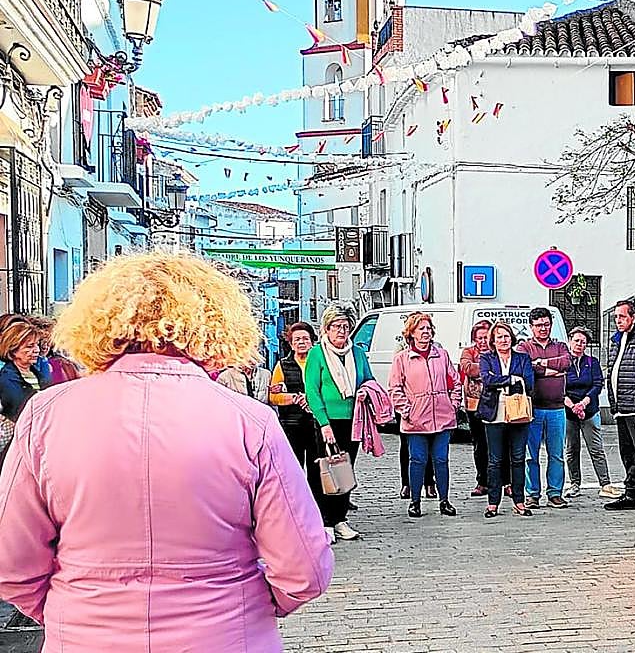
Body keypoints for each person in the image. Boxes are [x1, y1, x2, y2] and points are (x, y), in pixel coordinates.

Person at [0, 253, 332, 651]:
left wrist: (75, 611)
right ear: (212, 325)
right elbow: (305, 570)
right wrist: (240, 606)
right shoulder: (250, 422)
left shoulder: (46, 416)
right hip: (226, 638)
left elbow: (11, 562)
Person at [304, 304, 373, 544]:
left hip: (352, 419)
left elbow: (369, 380)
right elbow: (312, 390)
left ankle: (340, 518)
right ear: (327, 329)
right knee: (326, 471)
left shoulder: (358, 353)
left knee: (345, 469)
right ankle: (325, 521)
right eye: (336, 327)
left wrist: (365, 391)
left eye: (345, 327)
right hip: (326, 421)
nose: (342, 331)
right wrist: (323, 422)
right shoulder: (317, 354)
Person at [390, 311, 462, 518]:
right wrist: (406, 410)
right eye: (421, 329)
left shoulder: (442, 355)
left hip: (442, 416)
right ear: (411, 333)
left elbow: (455, 382)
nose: (426, 333)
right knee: (417, 459)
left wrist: (454, 404)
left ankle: (444, 500)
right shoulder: (402, 359)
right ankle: (415, 501)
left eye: (428, 329)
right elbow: (395, 388)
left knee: (441, 459)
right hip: (416, 418)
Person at [478, 321, 536, 517]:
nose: (503, 340)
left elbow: (528, 381)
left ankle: (519, 501)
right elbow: (487, 379)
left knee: (518, 458)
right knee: (495, 460)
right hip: (494, 413)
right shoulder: (486, 358)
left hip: (518, 411)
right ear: (492, 341)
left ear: (512, 337)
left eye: (506, 336)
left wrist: (501, 379)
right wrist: (511, 379)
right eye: (499, 337)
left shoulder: (523, 358)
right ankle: (493, 503)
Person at [516, 307, 571, 509]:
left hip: (557, 408)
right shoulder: (524, 347)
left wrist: (543, 363)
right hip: (533, 408)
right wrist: (552, 371)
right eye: (539, 325)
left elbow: (567, 362)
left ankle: (555, 492)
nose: (543, 329)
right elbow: (527, 368)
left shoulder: (560, 346)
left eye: (546, 324)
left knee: (556, 453)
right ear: (531, 327)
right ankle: (532, 494)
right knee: (531, 454)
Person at [605, 299, 635, 512]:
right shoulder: (617, 340)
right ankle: (630, 493)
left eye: (622, 316)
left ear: (633, 317)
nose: (618, 320)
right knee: (627, 453)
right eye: (616, 316)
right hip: (620, 407)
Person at [563, 327, 621, 499]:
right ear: (569, 340)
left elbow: (597, 385)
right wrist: (573, 406)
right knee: (571, 449)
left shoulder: (592, 362)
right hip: (568, 411)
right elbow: (559, 386)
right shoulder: (563, 362)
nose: (579, 345)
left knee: (596, 448)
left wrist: (583, 404)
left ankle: (605, 483)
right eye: (576, 341)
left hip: (589, 410)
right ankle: (575, 483)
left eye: (583, 342)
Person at [269, 322, 319, 477]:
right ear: (290, 344)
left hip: (316, 423)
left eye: (305, 338)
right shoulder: (282, 365)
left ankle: (316, 500)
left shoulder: (320, 363)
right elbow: (273, 396)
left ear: (312, 341)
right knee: (293, 469)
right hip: (292, 425)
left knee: (317, 468)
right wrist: (294, 398)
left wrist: (311, 399)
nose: (301, 342)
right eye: (296, 340)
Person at [0, 319, 52, 463]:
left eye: (36, 345)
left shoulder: (39, 372)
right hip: (16, 446)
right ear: (13, 350)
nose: (36, 350)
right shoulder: (5, 379)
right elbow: (20, 408)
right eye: (29, 347)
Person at [460, 318, 498, 497]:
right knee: (480, 445)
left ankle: (503, 481)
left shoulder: (497, 351)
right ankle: (482, 481)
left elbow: (501, 371)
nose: (483, 341)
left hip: (497, 403)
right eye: (479, 338)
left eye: (485, 337)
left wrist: (485, 372)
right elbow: (468, 369)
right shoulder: (468, 352)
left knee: (499, 444)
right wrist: (488, 371)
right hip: (474, 404)